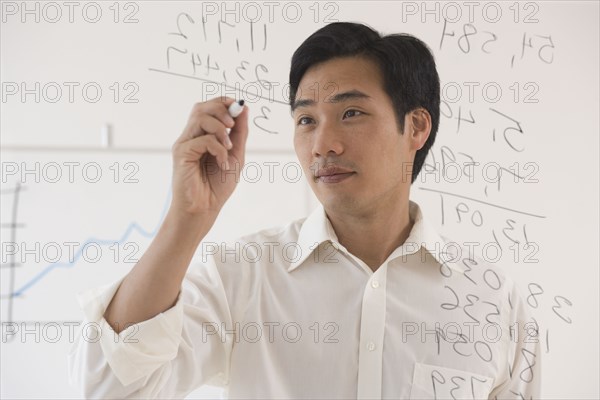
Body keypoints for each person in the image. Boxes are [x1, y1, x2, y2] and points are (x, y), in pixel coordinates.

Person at [68, 22, 541, 399]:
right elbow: (111, 389)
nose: (322, 145)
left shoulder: (492, 299)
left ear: (415, 127)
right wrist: (187, 219)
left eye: (350, 113)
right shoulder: (243, 277)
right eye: (306, 120)